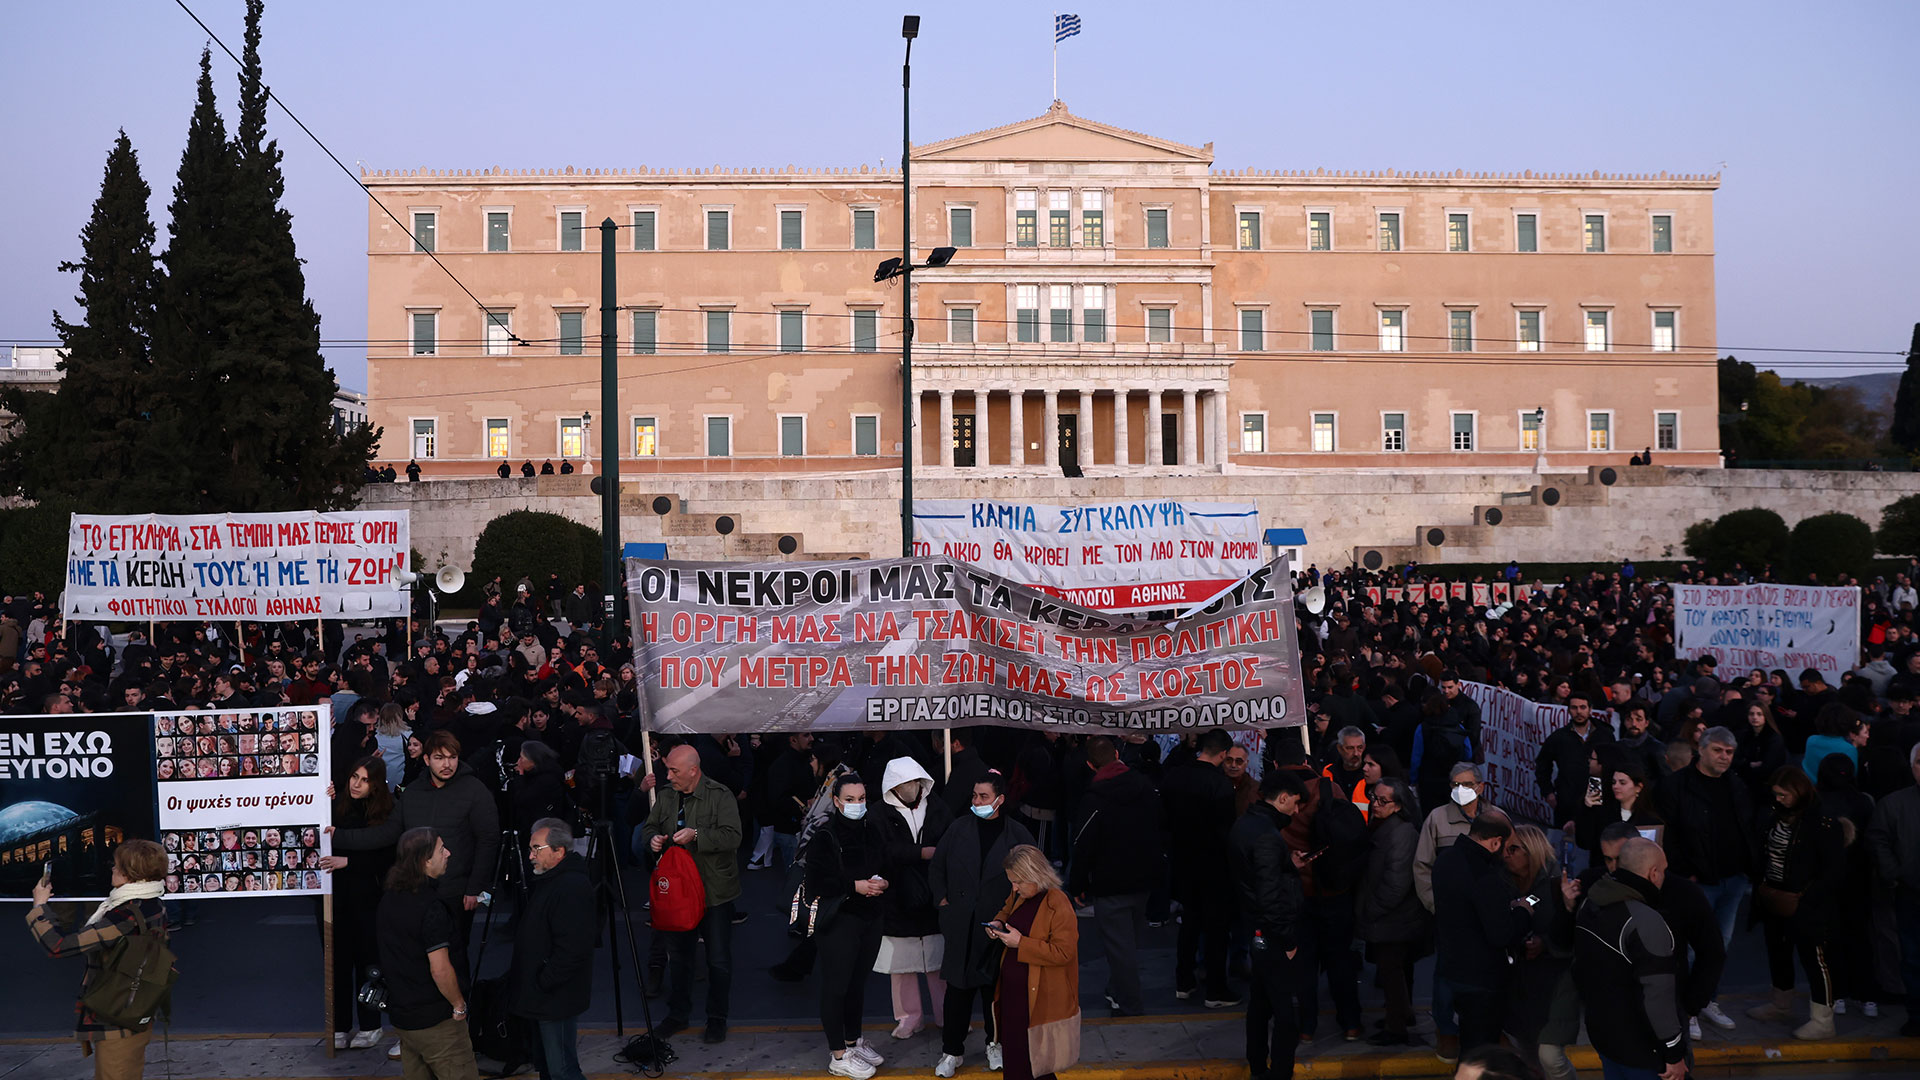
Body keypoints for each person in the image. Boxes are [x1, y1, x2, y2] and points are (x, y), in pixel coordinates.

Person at [331, 730, 499, 998]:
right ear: (426, 760)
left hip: (454, 893)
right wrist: (337, 836)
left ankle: (459, 1022)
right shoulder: (413, 793)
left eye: (452, 757)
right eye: (439, 757)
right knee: (415, 961)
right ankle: (425, 1031)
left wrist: (475, 888)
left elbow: (488, 841)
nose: (447, 764)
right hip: (415, 893)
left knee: (453, 959)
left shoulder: (475, 791)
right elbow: (386, 834)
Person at [26, 839, 171, 1080]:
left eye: (116, 866)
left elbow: (59, 946)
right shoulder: (153, 903)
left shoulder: (125, 915)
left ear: (129, 874)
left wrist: (39, 906)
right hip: (139, 1008)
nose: (112, 870)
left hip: (118, 1018)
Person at [929, 773, 1035, 1078]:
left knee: (995, 992)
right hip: (961, 923)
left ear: (1000, 799)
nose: (976, 802)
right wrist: (943, 902)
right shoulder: (958, 828)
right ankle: (952, 1051)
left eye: (983, 797)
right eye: (974, 796)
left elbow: (1032, 880)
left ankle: (996, 1043)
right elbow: (937, 868)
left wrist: (1013, 917)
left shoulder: (1018, 835)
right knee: (957, 993)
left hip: (998, 927)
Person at [641, 744, 743, 1045]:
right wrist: (654, 840)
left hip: (714, 892)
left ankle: (716, 1018)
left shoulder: (720, 795)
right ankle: (678, 1014)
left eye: (674, 771)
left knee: (718, 960)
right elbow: (649, 828)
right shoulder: (667, 796)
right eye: (668, 770)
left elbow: (733, 836)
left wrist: (697, 835)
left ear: (693, 770)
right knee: (681, 958)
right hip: (679, 894)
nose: (668, 775)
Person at [1067, 735, 1168, 1017]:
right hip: (1144, 878)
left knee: (1120, 948)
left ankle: (1130, 1003)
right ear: (1117, 753)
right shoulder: (1145, 787)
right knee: (1129, 944)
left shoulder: (1094, 799)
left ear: (1090, 764)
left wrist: (1077, 884)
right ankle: (1117, 990)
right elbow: (1162, 827)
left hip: (1111, 882)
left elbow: (1083, 844)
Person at [1745, 767, 1846, 1040]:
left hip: (1806, 902)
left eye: (1783, 794)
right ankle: (1781, 1002)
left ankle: (1823, 1019)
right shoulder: (1775, 817)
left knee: (1814, 959)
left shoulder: (1822, 823)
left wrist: (1808, 898)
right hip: (1774, 897)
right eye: (1776, 794)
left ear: (1799, 792)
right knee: (1778, 951)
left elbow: (1832, 870)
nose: (1778, 799)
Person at [1573, 838, 1686, 1080]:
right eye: (1663, 871)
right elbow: (1658, 996)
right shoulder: (1645, 921)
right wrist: (1674, 1053)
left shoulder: (1589, 904)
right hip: (1642, 1050)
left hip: (1604, 1037)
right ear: (1653, 873)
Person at [376, 828, 480, 1080]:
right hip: (437, 1022)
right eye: (441, 849)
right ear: (425, 860)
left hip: (404, 1019)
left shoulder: (389, 899)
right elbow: (440, 969)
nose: (448, 853)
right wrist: (458, 1006)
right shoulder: (430, 907)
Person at [806, 775, 889, 1079]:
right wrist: (855, 886)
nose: (857, 805)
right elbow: (816, 883)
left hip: (870, 917)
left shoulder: (872, 828)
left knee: (857, 984)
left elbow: (884, 862)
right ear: (837, 802)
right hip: (839, 920)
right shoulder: (825, 836)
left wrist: (883, 880)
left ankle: (853, 1042)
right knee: (836, 986)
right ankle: (838, 1054)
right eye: (850, 800)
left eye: (862, 798)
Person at [1229, 769, 1307, 1080]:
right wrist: (1288, 942)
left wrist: (1287, 865)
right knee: (1287, 1015)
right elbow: (1269, 895)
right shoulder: (1266, 836)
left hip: (1255, 929)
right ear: (1284, 798)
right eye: (1296, 803)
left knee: (1260, 1004)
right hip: (1271, 933)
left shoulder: (1248, 825)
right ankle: (1278, 1073)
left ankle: (1258, 1065)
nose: (1297, 810)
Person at [1431, 813, 1529, 1056]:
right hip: (1481, 980)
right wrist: (1523, 912)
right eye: (1506, 846)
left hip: (1452, 967)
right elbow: (1502, 934)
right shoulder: (1484, 876)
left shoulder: (1446, 860)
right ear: (1495, 842)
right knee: (1478, 1055)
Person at [1655, 727, 1756, 960]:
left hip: (1734, 878)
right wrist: (1685, 873)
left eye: (1729, 752)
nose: (1724, 757)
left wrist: (1747, 869)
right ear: (1700, 750)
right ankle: (1689, 996)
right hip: (1697, 881)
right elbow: (1666, 835)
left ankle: (1708, 995)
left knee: (1721, 944)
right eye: (1718, 750)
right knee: (1691, 945)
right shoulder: (1675, 786)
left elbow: (1747, 826)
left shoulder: (1736, 784)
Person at [873, 756, 952, 1040]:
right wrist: (919, 853)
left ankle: (948, 1016)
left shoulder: (938, 807)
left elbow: (951, 841)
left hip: (933, 895)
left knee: (939, 962)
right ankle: (908, 1018)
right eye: (905, 783)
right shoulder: (879, 814)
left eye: (914, 782)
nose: (911, 787)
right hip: (897, 898)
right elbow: (880, 851)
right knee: (902, 966)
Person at [1160, 728, 1240, 1007]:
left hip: (1183, 861)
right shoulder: (1219, 785)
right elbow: (1225, 829)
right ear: (1222, 754)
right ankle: (1216, 989)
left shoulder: (1176, 775)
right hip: (1214, 865)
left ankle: (1184, 980)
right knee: (1217, 928)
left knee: (1190, 922)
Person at [508, 818, 593, 1080]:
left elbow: (572, 947)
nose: (530, 856)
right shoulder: (552, 880)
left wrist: (544, 981)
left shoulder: (569, 887)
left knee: (561, 1068)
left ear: (559, 852)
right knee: (552, 1064)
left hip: (554, 997)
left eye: (537, 849)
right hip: (548, 995)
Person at [320, 756, 396, 1050]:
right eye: (354, 776)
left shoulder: (386, 812)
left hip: (369, 898)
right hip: (333, 895)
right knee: (336, 961)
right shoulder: (337, 804)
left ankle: (371, 1025)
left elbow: (386, 857)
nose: (357, 784)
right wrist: (321, 797)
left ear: (375, 784)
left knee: (369, 963)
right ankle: (339, 1026)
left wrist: (348, 861)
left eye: (364, 779)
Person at [986, 845, 1081, 1080]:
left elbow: (1063, 952)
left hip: (1037, 1000)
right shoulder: (1020, 894)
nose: (1014, 888)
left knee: (1036, 1065)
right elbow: (1006, 910)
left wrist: (1022, 944)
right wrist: (998, 923)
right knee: (1016, 1060)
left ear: (1034, 875)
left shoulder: (1057, 903)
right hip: (1013, 995)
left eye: (1018, 881)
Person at [1501, 826, 1578, 1080]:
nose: (1506, 854)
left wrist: (1544, 943)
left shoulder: (1558, 887)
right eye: (1504, 848)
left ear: (1532, 852)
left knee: (1551, 1057)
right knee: (1529, 1056)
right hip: (1518, 987)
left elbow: (1572, 937)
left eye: (1514, 849)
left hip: (1555, 986)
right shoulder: (1501, 884)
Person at [1354, 777, 1426, 1047]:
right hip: (1389, 916)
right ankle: (1402, 1016)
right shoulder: (1385, 827)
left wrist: (1370, 910)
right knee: (1391, 972)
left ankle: (1396, 1028)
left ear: (1398, 806)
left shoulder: (1401, 834)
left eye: (1383, 801)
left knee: (1391, 974)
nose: (1375, 804)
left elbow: (1396, 884)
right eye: (1374, 797)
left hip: (1394, 918)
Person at [1864, 743, 1920, 1036]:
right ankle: (1917, 1015)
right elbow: (1878, 839)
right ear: (1912, 767)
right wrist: (1894, 874)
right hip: (1910, 892)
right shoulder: (1894, 804)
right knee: (1912, 957)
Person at [1536, 692, 1615, 829]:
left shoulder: (1604, 735)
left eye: (1583, 707)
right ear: (1568, 710)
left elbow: (1614, 764)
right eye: (1574, 708)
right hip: (1567, 800)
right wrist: (1548, 793)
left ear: (1590, 709)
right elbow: (1542, 765)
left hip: (1597, 797)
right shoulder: (1559, 737)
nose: (1579, 712)